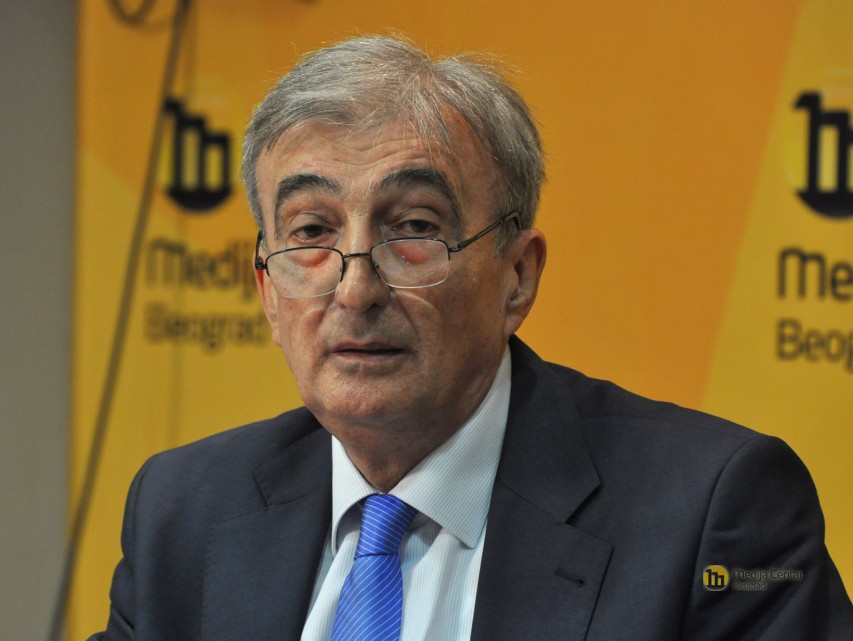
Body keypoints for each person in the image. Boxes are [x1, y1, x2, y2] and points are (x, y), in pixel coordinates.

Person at [90, 35, 852, 641]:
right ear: (266, 288)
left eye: (414, 227)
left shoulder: (710, 509)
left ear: (516, 276)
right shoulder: (188, 508)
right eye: (311, 231)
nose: (354, 289)